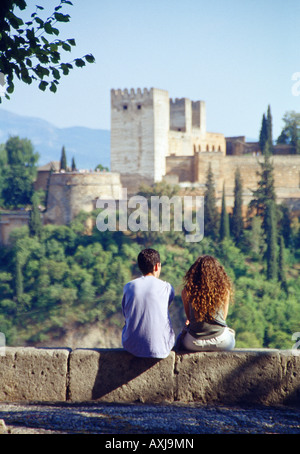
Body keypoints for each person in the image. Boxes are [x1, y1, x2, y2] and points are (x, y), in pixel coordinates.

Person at [121, 248, 175, 358]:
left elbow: (126, 314)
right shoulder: (167, 288)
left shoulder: (129, 287)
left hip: (132, 346)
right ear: (156, 266)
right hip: (162, 349)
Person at [176, 255, 235, 351]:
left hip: (194, 343)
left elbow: (190, 319)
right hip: (222, 342)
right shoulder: (224, 291)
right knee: (231, 334)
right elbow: (223, 319)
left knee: (180, 338)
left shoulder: (187, 291)